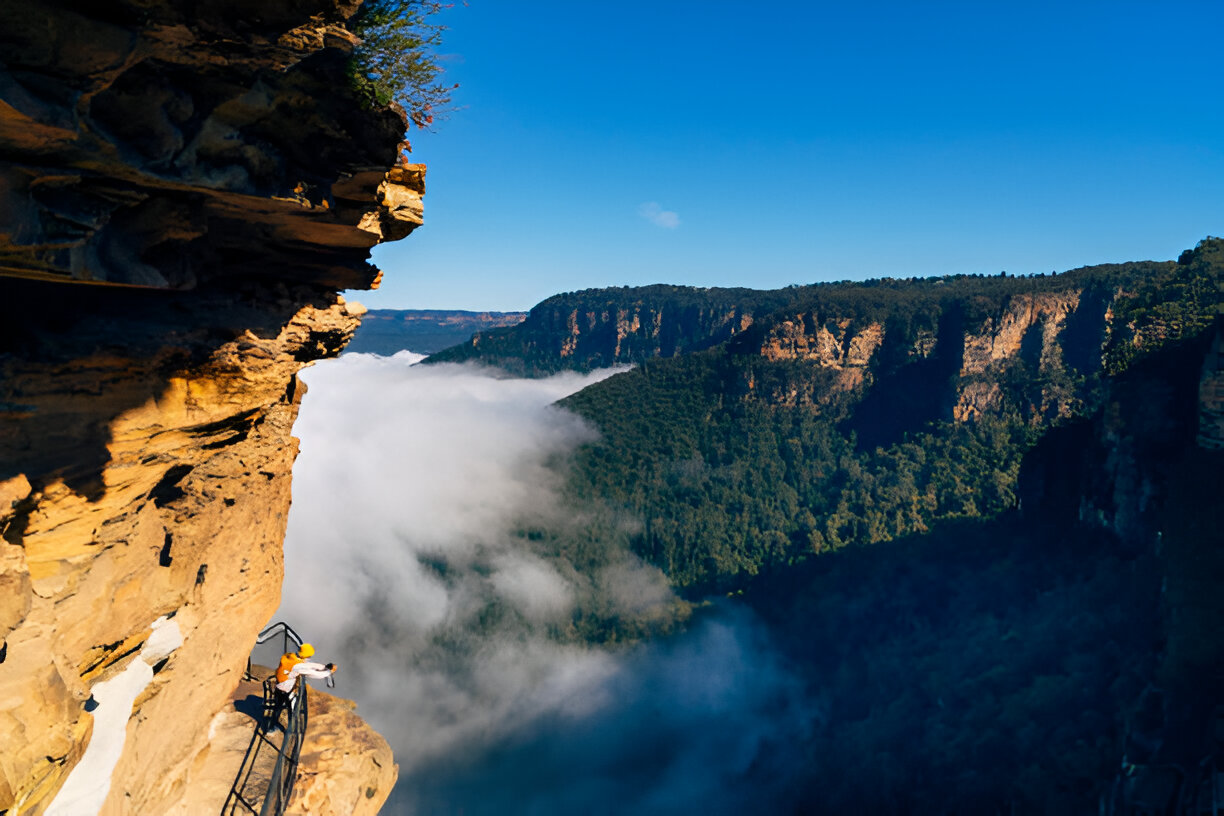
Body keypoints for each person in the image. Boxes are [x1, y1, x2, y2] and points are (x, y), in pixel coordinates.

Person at [265, 643, 338, 733]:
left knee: (278, 707)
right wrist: (328, 672)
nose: (309, 658)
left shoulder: (290, 656)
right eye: (309, 656)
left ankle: (271, 727)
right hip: (287, 689)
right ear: (305, 655)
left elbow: (307, 664)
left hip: (279, 687)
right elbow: (313, 673)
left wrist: (324, 666)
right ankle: (291, 732)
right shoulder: (297, 666)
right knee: (292, 709)